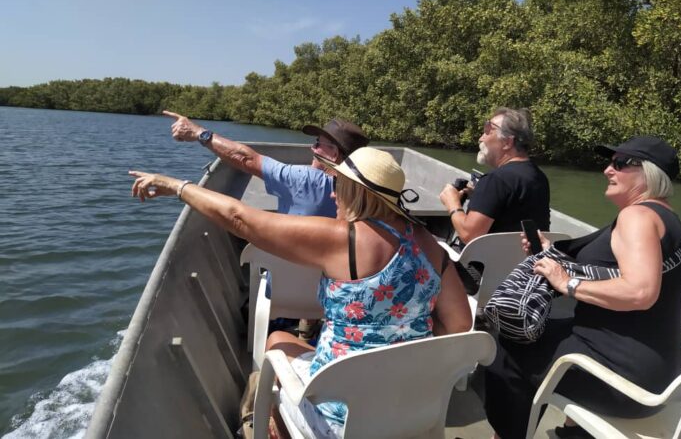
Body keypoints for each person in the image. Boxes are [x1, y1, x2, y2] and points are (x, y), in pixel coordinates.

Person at [129, 147, 471, 438]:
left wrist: (177, 186)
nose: (333, 194)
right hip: (409, 409)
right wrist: (397, 344)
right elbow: (458, 323)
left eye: (339, 185)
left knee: (276, 342)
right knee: (282, 340)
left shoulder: (343, 239)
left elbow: (239, 218)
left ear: (358, 192)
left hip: (341, 421)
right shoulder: (432, 246)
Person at [484, 135, 681, 439]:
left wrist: (568, 283)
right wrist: (550, 252)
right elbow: (612, 267)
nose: (608, 170)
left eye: (620, 163)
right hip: (653, 370)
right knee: (553, 327)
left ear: (649, 173)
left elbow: (640, 291)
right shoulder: (667, 217)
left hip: (620, 380)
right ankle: (575, 431)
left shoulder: (637, 216)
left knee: (507, 344)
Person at [162, 110, 368, 217]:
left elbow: (246, 159)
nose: (312, 148)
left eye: (318, 144)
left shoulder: (304, 181)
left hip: (284, 287)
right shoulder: (368, 193)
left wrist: (198, 133)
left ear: (333, 154)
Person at [439, 107, 550, 244]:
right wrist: (481, 198)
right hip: (523, 262)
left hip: (483, 264)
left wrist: (453, 203)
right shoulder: (539, 177)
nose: (481, 138)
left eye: (488, 131)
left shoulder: (496, 180)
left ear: (507, 142)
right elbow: (513, 212)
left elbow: (469, 235)